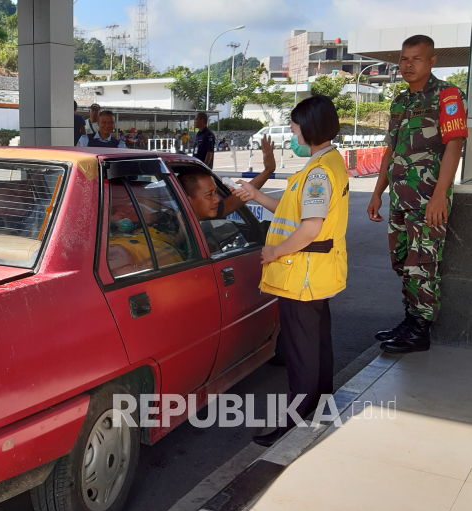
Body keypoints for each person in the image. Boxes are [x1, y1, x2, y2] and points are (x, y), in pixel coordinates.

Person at [233, 95, 349, 447]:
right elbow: (291, 211)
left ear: (310, 129)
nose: (293, 137)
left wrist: (273, 251)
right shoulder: (329, 162)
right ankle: (320, 404)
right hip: (317, 273)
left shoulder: (317, 174)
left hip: (303, 274)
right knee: (317, 345)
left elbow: (310, 228)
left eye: (296, 130)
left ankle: (295, 423)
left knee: (301, 353)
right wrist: (256, 195)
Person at [367, 35, 468, 354]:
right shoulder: (399, 101)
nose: (408, 65)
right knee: (401, 262)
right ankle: (410, 319)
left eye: (417, 59)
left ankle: (420, 330)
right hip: (399, 199)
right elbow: (390, 151)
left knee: (422, 263)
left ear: (432, 61)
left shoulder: (447, 95)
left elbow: (455, 146)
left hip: (427, 201)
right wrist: (377, 192)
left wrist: (441, 196)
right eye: (404, 59)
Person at [180, 136, 274, 222]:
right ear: (187, 201)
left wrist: (268, 171)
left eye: (215, 192)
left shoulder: (208, 212)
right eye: (209, 194)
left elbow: (231, 203)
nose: (217, 199)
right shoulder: (171, 228)